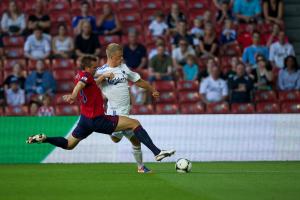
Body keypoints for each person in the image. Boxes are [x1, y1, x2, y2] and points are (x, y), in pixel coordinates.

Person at [26, 55, 175, 164]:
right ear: (86, 67)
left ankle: (45, 139)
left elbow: (90, 83)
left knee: (68, 144)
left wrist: (102, 76)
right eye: (94, 67)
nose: (96, 68)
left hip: (84, 120)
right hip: (97, 119)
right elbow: (80, 86)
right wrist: (73, 96)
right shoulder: (85, 76)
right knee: (134, 123)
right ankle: (157, 152)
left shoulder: (81, 75)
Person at [96, 44, 162, 173]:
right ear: (110, 56)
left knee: (135, 141)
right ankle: (156, 152)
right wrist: (103, 77)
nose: (121, 59)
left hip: (125, 112)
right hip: (114, 113)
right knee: (119, 137)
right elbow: (90, 83)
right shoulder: (101, 71)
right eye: (118, 57)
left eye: (122, 57)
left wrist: (152, 89)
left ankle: (141, 167)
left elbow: (138, 80)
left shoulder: (123, 67)